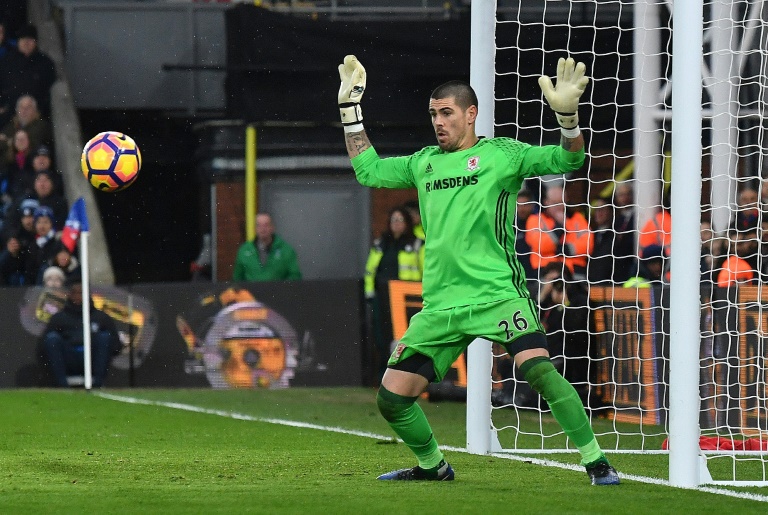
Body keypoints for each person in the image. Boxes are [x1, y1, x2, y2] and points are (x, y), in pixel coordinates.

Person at [338, 54, 619, 484]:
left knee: (539, 371)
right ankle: (434, 467)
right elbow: (368, 171)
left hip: (497, 295)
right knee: (392, 398)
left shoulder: (501, 155)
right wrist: (350, 112)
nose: (438, 122)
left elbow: (568, 161)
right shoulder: (423, 163)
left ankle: (597, 461)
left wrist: (568, 120)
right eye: (433, 114)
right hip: (442, 305)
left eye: (446, 113)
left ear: (471, 115)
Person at [364, 205, 424, 379]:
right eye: (393, 220)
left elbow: (425, 271)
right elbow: (370, 271)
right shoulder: (381, 244)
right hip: (382, 298)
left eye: (400, 220)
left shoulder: (416, 243)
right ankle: (383, 375)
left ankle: (405, 376)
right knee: (382, 337)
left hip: (407, 298)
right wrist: (369, 293)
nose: (396, 224)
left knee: (404, 338)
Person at [39, 277, 121, 387]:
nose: (78, 297)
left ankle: (98, 384)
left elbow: (116, 346)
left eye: (81, 293)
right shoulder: (59, 318)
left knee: (104, 337)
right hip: (69, 359)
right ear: (69, 294)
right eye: (74, 293)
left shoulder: (101, 317)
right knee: (52, 338)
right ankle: (62, 385)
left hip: (93, 358)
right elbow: (43, 348)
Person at [525, 184, 592, 280]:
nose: (558, 206)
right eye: (554, 202)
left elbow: (587, 245)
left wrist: (564, 249)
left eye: (561, 202)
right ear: (546, 202)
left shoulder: (577, 219)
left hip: (574, 270)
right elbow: (540, 245)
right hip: (544, 270)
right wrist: (559, 227)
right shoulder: (535, 220)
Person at [0, 24, 56, 125]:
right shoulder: (6, 62)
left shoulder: (45, 63)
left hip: (36, 116)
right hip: (9, 114)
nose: (26, 43)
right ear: (18, 42)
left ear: (36, 42)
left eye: (30, 39)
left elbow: (49, 90)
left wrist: (40, 110)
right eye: (23, 39)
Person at [232, 212, 302, 281]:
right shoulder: (244, 250)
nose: (263, 229)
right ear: (255, 228)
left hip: (278, 292)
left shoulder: (286, 250)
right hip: (251, 292)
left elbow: (295, 276)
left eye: (266, 225)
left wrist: (282, 289)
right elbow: (237, 279)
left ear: (272, 227)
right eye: (259, 225)